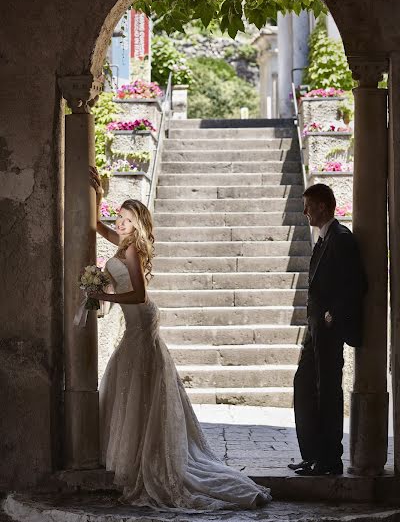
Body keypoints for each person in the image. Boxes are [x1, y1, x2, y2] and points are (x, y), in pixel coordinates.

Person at [89, 166, 271, 510]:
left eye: (126, 218)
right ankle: (130, 456)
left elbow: (139, 297)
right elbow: (97, 226)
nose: (121, 223)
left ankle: (147, 462)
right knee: (130, 384)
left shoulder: (130, 251)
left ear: (138, 222)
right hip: (137, 325)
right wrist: (98, 195)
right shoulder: (123, 244)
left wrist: (104, 296)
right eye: (120, 217)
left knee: (137, 383)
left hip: (139, 320)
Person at [288, 183, 367, 476]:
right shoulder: (325, 237)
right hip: (315, 329)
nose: (305, 211)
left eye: (308, 205)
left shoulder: (341, 238)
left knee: (328, 391)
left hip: (329, 329)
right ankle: (313, 455)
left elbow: (355, 284)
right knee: (305, 385)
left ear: (322, 206)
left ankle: (329, 459)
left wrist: (333, 315)